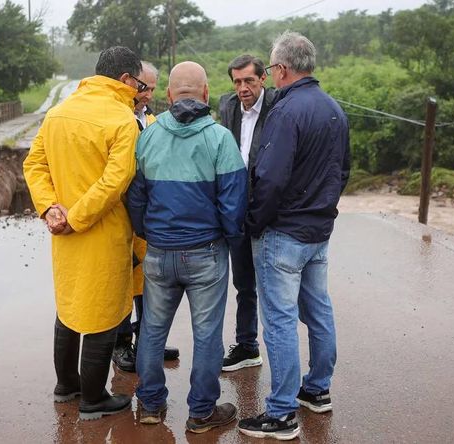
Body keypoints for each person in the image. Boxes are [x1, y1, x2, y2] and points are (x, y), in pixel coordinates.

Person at [237, 32, 351, 440]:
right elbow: (342, 172)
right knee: (318, 309)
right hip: (318, 230)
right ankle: (317, 389)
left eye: (269, 70)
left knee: (281, 320)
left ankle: (281, 412)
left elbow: (270, 177)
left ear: (281, 70)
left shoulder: (286, 112)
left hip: (283, 232)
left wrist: (254, 222)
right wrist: (325, 209)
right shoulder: (334, 109)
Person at [23, 46, 146, 421]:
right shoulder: (122, 121)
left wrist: (51, 209)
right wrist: (76, 217)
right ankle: (93, 397)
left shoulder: (57, 114)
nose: (140, 91)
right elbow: (116, 181)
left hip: (63, 233)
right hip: (100, 232)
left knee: (70, 307)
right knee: (103, 313)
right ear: (125, 79)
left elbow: (34, 163)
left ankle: (67, 386)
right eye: (138, 84)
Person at [127, 61, 247, 433]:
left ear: (167, 95)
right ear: (207, 93)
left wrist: (149, 232)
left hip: (160, 253)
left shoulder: (148, 136)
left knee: (151, 329)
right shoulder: (220, 139)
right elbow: (233, 204)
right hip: (206, 253)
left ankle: (149, 405)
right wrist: (229, 239)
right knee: (207, 334)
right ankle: (201, 413)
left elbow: (135, 197)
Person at [113, 61, 180, 372]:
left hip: (147, 214)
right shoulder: (118, 118)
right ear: (130, 83)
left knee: (149, 281)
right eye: (143, 87)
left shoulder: (152, 120)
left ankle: (147, 341)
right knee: (125, 279)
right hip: (122, 211)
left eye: (152, 88)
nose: (147, 94)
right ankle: (121, 343)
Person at [218, 54, 275, 372]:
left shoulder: (278, 106)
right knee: (243, 282)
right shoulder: (227, 105)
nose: (242, 88)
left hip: (269, 208)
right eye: (237, 81)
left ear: (262, 79)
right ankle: (247, 344)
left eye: (249, 81)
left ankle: (278, 348)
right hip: (236, 207)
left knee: (272, 284)